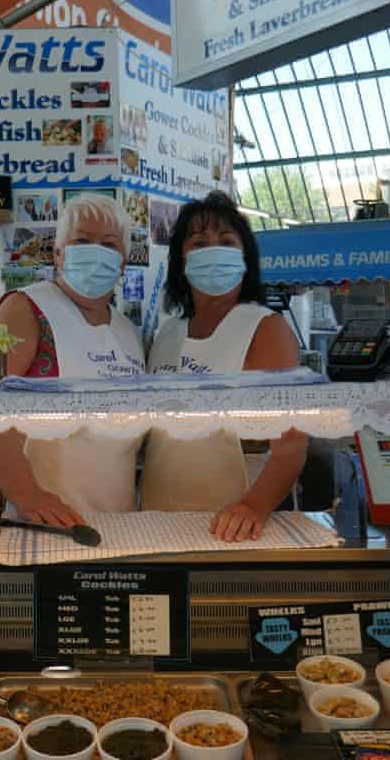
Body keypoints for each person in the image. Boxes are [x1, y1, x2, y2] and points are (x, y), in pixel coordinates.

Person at [0, 193, 145, 524]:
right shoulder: (25, 308)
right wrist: (28, 496)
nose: (96, 252)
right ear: (57, 254)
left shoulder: (128, 332)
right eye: (82, 240)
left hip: (111, 520)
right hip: (27, 517)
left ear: (123, 261)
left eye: (109, 245)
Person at [142, 192, 308, 542]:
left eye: (226, 241)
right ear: (181, 259)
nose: (212, 250)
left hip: (233, 525)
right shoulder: (167, 332)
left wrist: (253, 507)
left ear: (244, 256)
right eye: (200, 242)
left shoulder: (265, 328)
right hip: (156, 517)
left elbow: (291, 445)